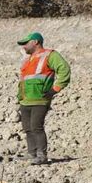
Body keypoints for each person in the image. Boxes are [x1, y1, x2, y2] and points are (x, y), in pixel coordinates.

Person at [16, 32, 71, 165]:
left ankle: (42, 155)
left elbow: (64, 70)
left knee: (36, 127)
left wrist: (54, 90)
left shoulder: (50, 55)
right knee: (27, 128)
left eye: (26, 43)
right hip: (26, 99)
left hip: (40, 99)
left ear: (35, 42)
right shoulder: (28, 59)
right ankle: (32, 153)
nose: (23, 47)